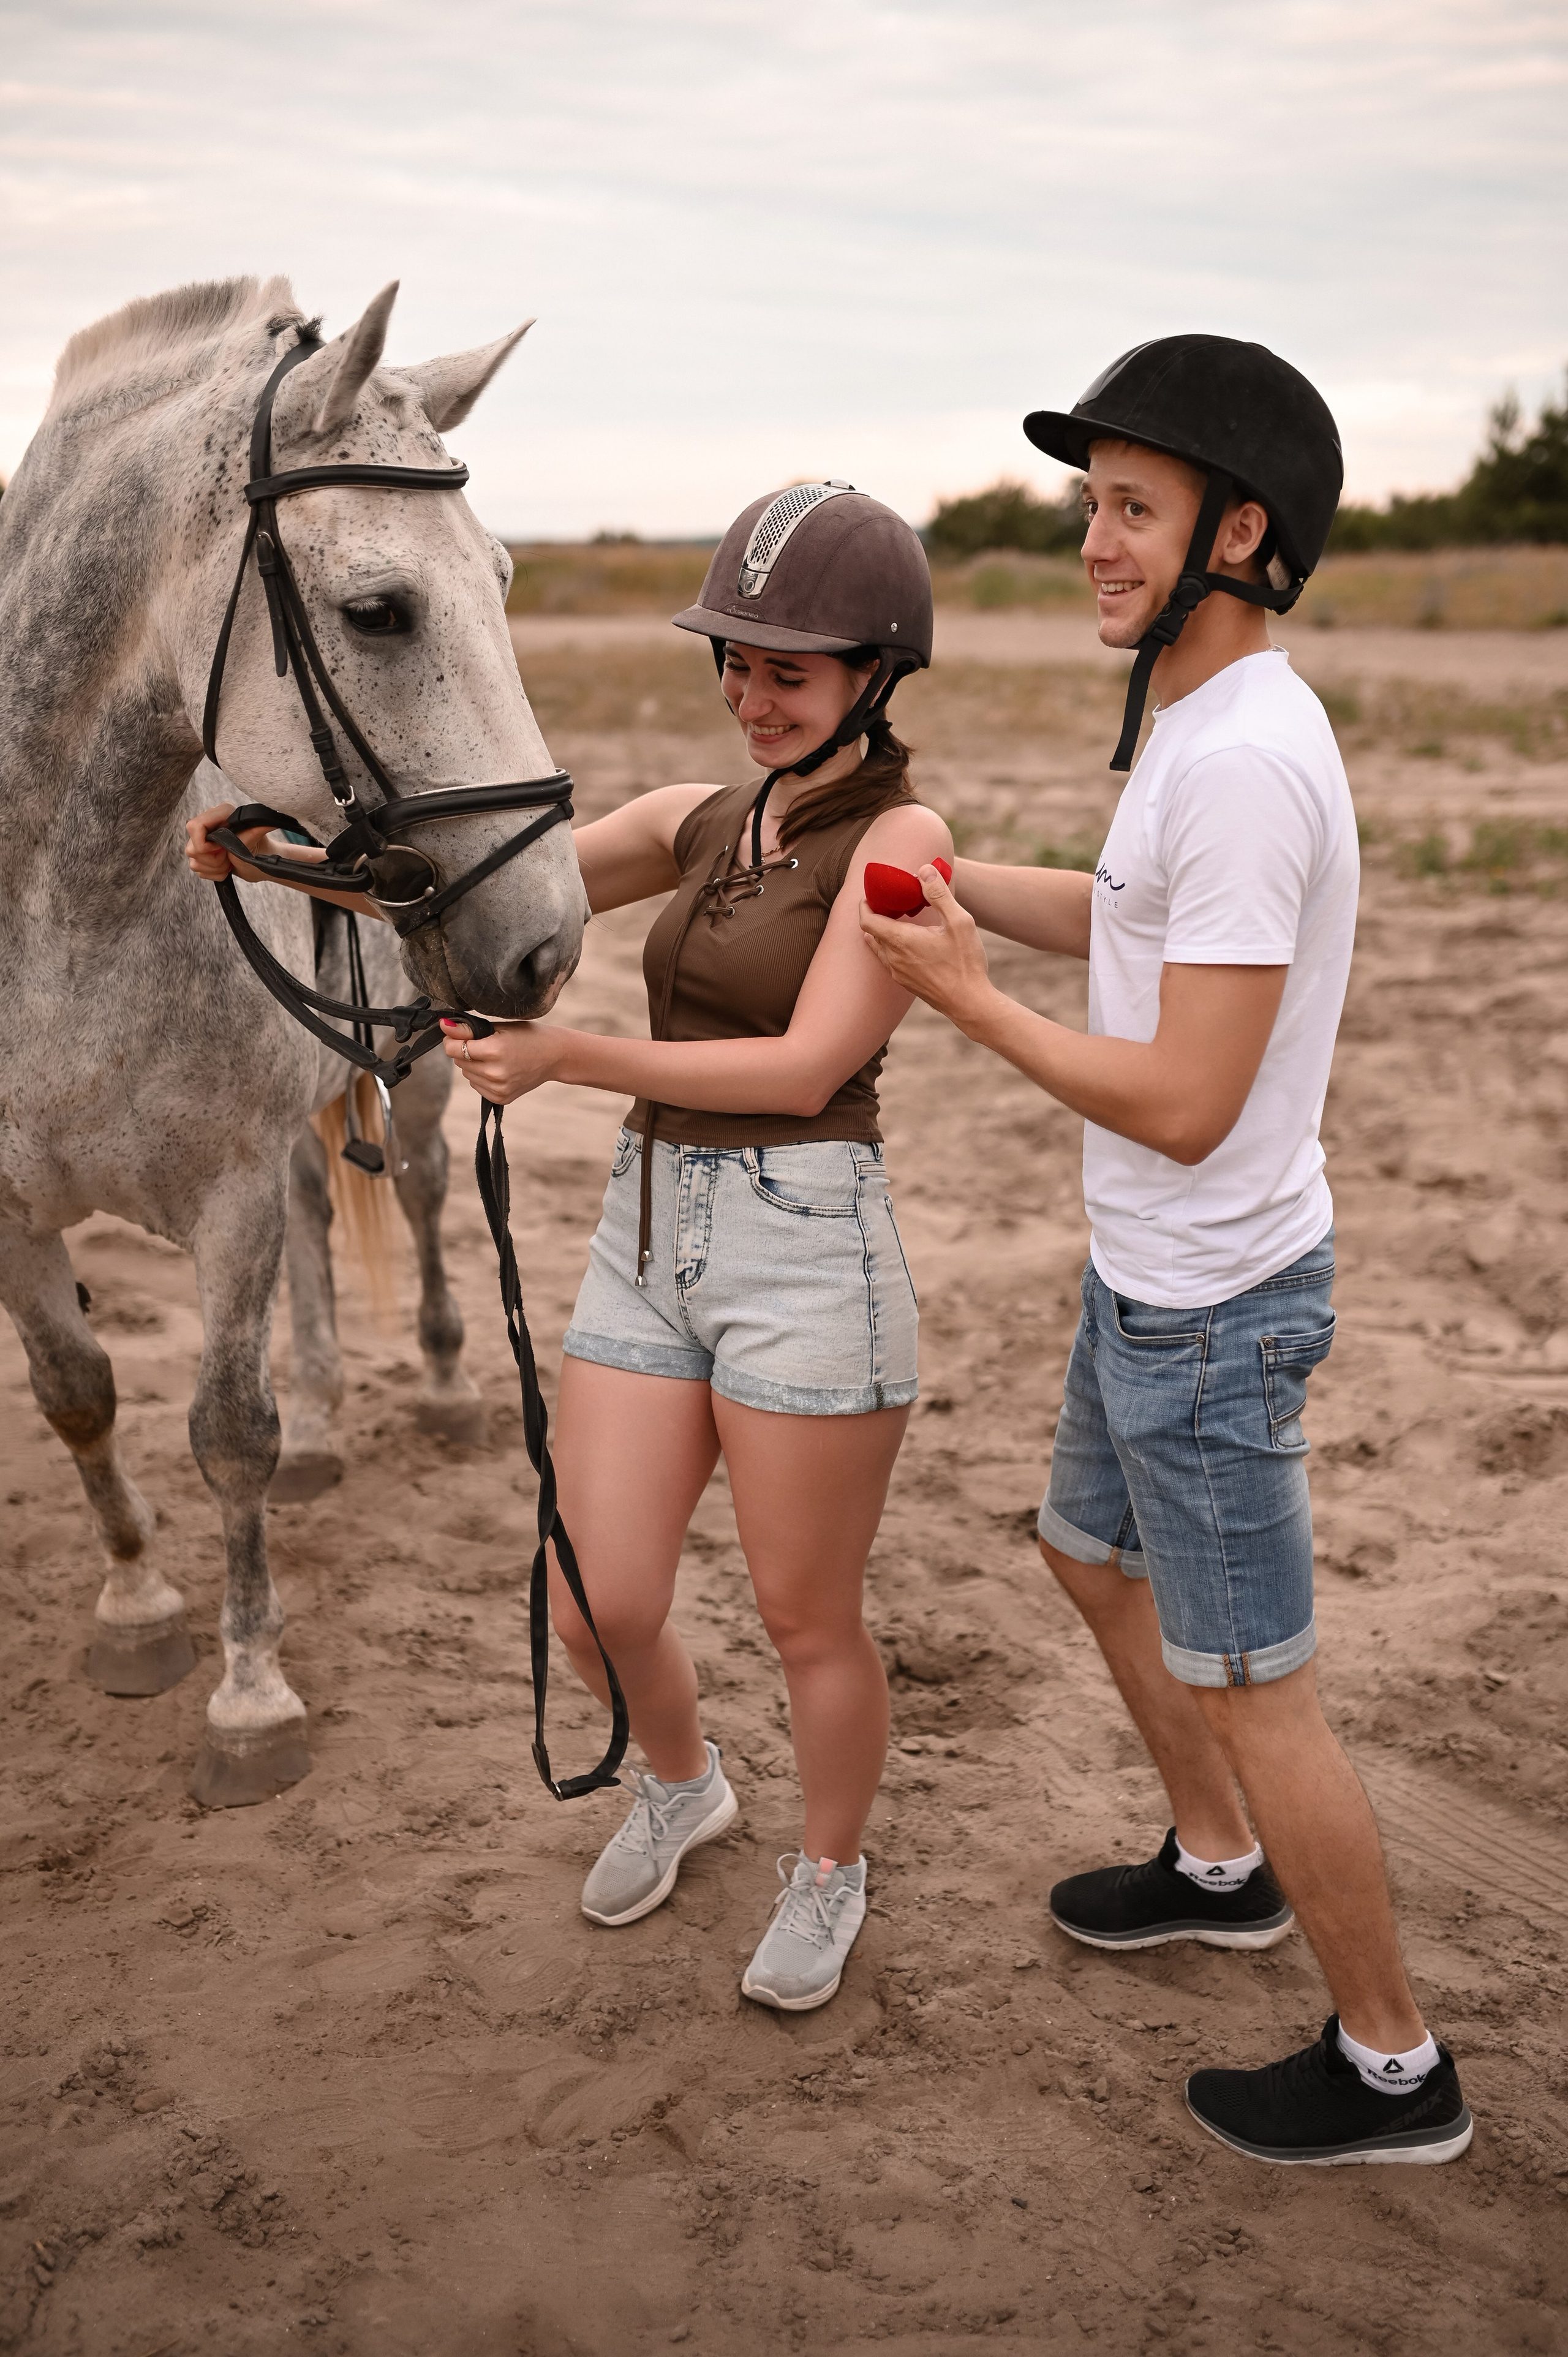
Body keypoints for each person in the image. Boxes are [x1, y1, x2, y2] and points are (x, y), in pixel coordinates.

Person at [859, 338, 1472, 2165]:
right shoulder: (1198, 730)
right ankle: (1220, 1868)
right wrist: (956, 890)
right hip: (1148, 1275)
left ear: (1242, 533)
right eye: (1090, 505)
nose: (1093, 543)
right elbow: (1129, 913)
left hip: (1213, 1305)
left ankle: (1394, 2068)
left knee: (1260, 1690)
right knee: (1080, 1552)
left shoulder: (1249, 762)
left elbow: (1192, 1100)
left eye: (1132, 507)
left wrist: (966, 998)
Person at [438, 485, 948, 2011]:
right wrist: (282, 857)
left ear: (876, 671)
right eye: (733, 660)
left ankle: (829, 1867)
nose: (749, 694)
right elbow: (495, 876)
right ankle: (684, 1784)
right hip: (649, 1230)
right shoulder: (702, 819)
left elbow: (803, 1069)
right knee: (593, 1598)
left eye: (787, 670)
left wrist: (565, 1056)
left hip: (805, 1246)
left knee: (805, 1618)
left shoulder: (899, 840)